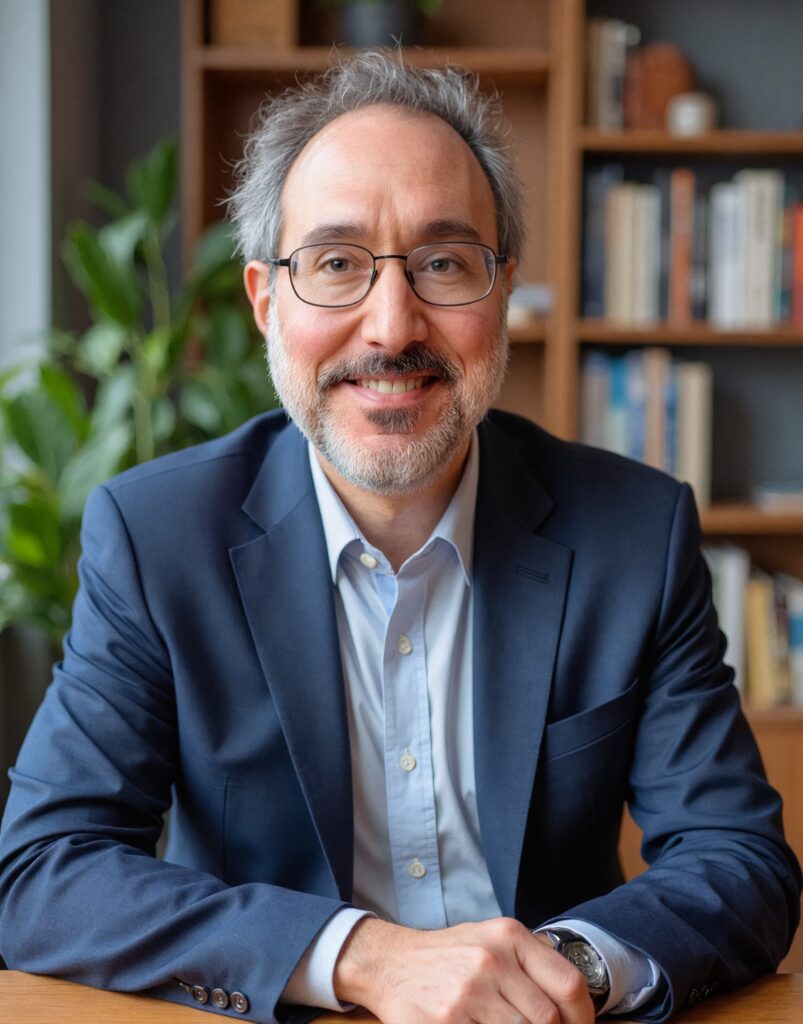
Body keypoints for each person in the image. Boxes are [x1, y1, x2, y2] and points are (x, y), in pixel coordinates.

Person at [0, 50, 799, 1024]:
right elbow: (45, 870)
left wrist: (559, 973)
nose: (390, 324)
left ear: (501, 292)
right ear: (265, 303)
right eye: (334, 264)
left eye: (443, 263)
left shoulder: (631, 529)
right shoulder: (157, 534)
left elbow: (737, 856)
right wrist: (361, 958)